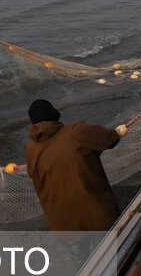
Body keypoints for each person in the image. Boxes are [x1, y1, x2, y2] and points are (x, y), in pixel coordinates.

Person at [25, 99, 122, 232]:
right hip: (98, 218)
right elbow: (110, 139)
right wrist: (117, 132)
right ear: (54, 115)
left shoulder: (31, 150)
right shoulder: (76, 132)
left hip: (63, 227)